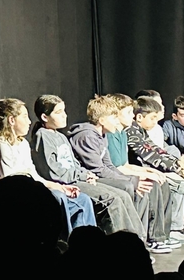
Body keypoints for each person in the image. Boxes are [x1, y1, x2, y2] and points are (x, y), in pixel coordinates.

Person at [68, 95, 174, 254]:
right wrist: (132, 180)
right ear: (102, 120)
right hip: (88, 178)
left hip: (98, 175)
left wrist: (136, 178)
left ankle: (141, 240)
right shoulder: (87, 135)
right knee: (127, 187)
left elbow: (109, 165)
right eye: (114, 117)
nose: (117, 120)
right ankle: (128, 244)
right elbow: (97, 169)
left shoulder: (103, 135)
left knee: (142, 186)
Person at [0, 98, 95, 239]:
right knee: (57, 198)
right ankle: (64, 242)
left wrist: (61, 187)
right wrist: (45, 190)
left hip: (30, 189)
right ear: (12, 120)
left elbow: (35, 176)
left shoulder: (22, 144)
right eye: (25, 117)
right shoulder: (2, 145)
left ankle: (88, 242)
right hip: (13, 197)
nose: (29, 122)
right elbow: (11, 184)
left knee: (83, 199)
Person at [32, 94, 146, 237]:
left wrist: (86, 174)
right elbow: (54, 172)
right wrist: (83, 175)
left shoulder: (60, 136)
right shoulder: (43, 136)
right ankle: (121, 245)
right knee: (112, 199)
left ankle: (138, 239)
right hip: (66, 183)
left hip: (78, 179)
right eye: (59, 112)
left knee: (123, 195)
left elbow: (74, 164)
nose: (64, 115)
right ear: (45, 117)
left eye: (64, 111)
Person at [125, 96, 184, 240]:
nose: (155, 122)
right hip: (136, 172)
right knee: (164, 184)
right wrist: (178, 169)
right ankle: (160, 235)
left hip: (146, 170)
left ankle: (167, 232)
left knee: (172, 183)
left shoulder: (139, 130)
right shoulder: (130, 130)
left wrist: (179, 163)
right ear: (139, 117)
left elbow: (155, 149)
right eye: (152, 118)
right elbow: (147, 154)